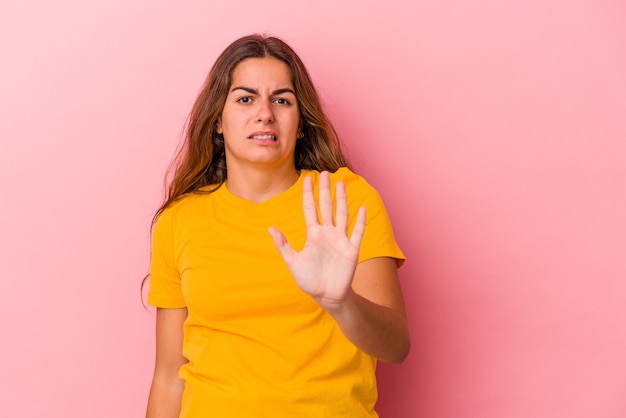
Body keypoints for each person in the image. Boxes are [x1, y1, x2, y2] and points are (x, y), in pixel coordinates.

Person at [145, 34, 410, 418]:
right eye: (245, 98)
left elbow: (396, 346)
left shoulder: (345, 200)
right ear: (218, 121)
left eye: (282, 100)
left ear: (301, 123)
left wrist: (342, 303)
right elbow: (169, 376)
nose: (265, 113)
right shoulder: (178, 221)